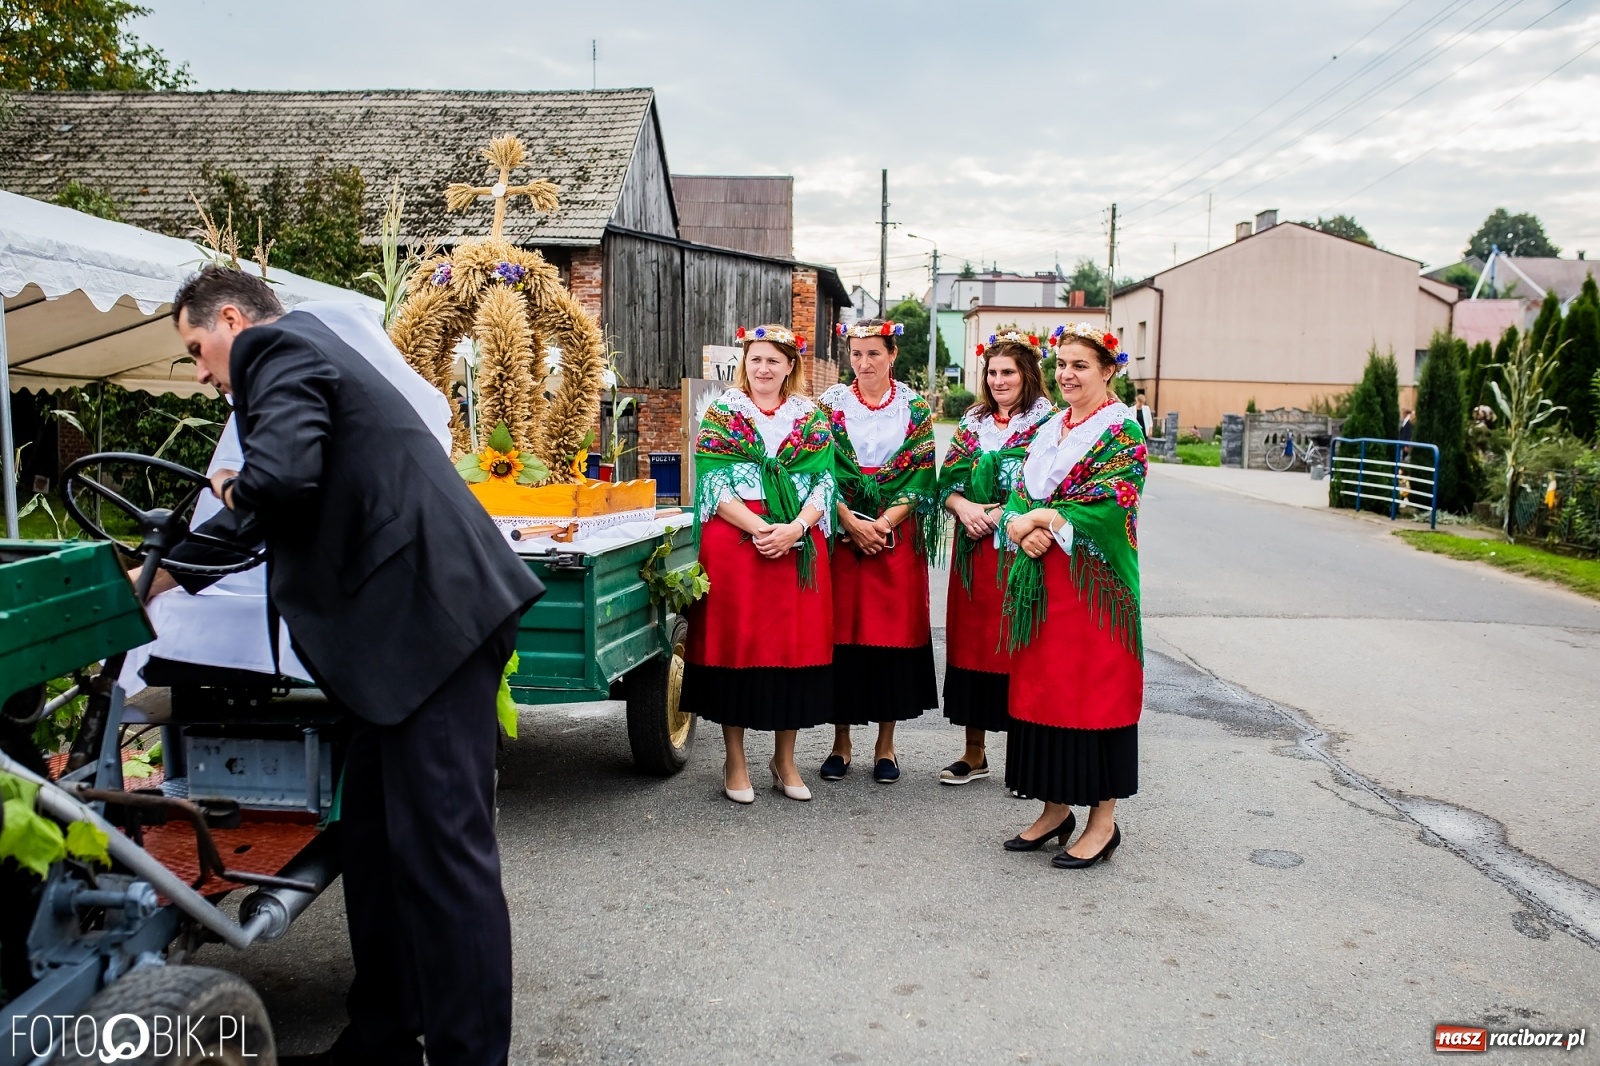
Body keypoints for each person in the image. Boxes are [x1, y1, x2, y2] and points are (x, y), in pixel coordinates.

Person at [168, 266, 543, 1066]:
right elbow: (286, 500)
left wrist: (230, 489)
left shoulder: (274, 347)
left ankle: (470, 1056)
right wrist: (155, 576)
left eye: (198, 349)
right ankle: (381, 1038)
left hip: (430, 633)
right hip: (403, 644)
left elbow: (283, 480)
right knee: (374, 847)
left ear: (231, 319)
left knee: (447, 863)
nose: (203, 372)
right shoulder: (309, 345)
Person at [1000, 323, 1147, 870]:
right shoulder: (1050, 428)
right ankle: (1054, 809)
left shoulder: (1121, 431)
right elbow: (1020, 490)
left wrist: (1043, 518)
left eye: (1081, 365)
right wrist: (1020, 523)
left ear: (1109, 371)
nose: (1067, 374)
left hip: (1093, 588)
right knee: (1045, 692)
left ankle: (1102, 822)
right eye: (1062, 364)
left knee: (1094, 694)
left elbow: (1113, 501)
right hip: (1043, 581)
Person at [681, 324, 835, 804]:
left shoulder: (811, 417)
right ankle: (736, 759)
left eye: (773, 360)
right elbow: (712, 481)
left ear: (791, 365)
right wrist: (758, 528)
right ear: (743, 363)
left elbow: (825, 484)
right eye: (755, 359)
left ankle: (785, 759)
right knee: (738, 646)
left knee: (793, 649)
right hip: (738, 541)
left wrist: (795, 529)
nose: (763, 369)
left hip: (797, 542)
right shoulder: (724, 412)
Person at [818, 320, 940, 784]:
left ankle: (886, 746)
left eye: (873, 354)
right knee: (841, 633)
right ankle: (841, 742)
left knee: (893, 633)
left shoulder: (913, 407)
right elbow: (818, 465)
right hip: (843, 528)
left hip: (897, 532)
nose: (864, 363)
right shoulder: (830, 405)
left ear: (892, 355)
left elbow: (921, 471)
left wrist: (884, 524)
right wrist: (847, 518)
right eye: (856, 354)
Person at [937, 332, 1054, 784]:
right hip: (974, 552)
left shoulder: (1049, 424)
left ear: (1027, 374)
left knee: (1018, 649)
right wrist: (963, 507)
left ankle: (1024, 760)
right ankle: (974, 753)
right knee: (972, 648)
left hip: (1020, 553)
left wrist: (1004, 513)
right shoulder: (973, 422)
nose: (999, 380)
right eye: (992, 372)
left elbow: (1046, 487)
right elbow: (949, 481)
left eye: (1008, 372)